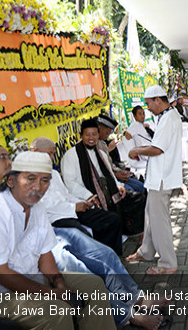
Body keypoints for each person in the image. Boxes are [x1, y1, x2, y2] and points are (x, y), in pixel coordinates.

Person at [0, 152, 116, 329]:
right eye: (30, 178)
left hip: (32, 277)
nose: (38, 186)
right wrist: (52, 294)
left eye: (45, 180)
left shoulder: (37, 207)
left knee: (94, 285)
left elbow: (45, 254)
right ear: (12, 181)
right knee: (57, 312)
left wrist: (60, 285)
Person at [31, 138, 169, 329]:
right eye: (47, 153)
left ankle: (138, 300)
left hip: (65, 222)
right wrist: (75, 207)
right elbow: (47, 209)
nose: (51, 157)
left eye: (53, 153)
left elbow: (66, 196)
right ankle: (129, 316)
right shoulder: (27, 184)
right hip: (54, 228)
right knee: (86, 273)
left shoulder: (53, 173)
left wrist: (83, 201)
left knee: (107, 253)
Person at [126, 85, 183, 275]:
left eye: (149, 103)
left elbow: (157, 149)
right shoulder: (168, 116)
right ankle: (146, 251)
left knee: (159, 221)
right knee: (150, 215)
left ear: (158, 99)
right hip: (158, 177)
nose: (148, 108)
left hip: (162, 178)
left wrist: (136, 150)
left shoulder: (168, 119)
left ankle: (168, 263)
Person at [61, 118, 145, 236]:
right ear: (81, 136)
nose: (91, 138)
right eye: (88, 135)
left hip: (106, 192)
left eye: (94, 134)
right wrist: (89, 195)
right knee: (111, 217)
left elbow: (108, 174)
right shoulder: (71, 155)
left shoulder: (99, 152)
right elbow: (70, 183)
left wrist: (118, 186)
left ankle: (137, 234)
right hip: (85, 197)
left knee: (138, 198)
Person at [96, 114, 146, 194]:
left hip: (114, 175)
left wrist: (121, 172)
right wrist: (116, 175)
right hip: (106, 180)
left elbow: (110, 165)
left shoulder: (102, 143)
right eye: (107, 133)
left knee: (140, 186)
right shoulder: (91, 146)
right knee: (130, 192)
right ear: (100, 128)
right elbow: (98, 170)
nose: (107, 136)